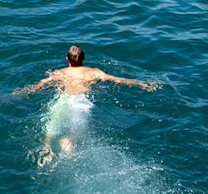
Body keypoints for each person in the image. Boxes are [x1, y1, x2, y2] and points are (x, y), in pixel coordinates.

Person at [17, 45, 158, 165]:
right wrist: (141, 83)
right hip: (80, 102)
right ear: (83, 58)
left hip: (62, 99)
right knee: (77, 132)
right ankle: (68, 141)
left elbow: (41, 84)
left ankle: (46, 147)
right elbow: (118, 80)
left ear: (67, 58)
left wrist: (24, 92)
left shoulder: (60, 72)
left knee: (51, 125)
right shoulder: (93, 72)